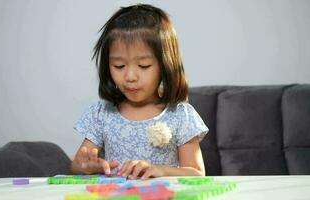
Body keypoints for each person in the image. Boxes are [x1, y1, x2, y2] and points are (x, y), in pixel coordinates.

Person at [71, 3, 208, 179]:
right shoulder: (102, 114)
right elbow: (76, 165)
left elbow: (196, 173)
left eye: (144, 66)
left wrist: (160, 170)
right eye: (119, 66)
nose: (130, 76)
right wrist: (86, 166)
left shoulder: (181, 116)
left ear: (165, 65)